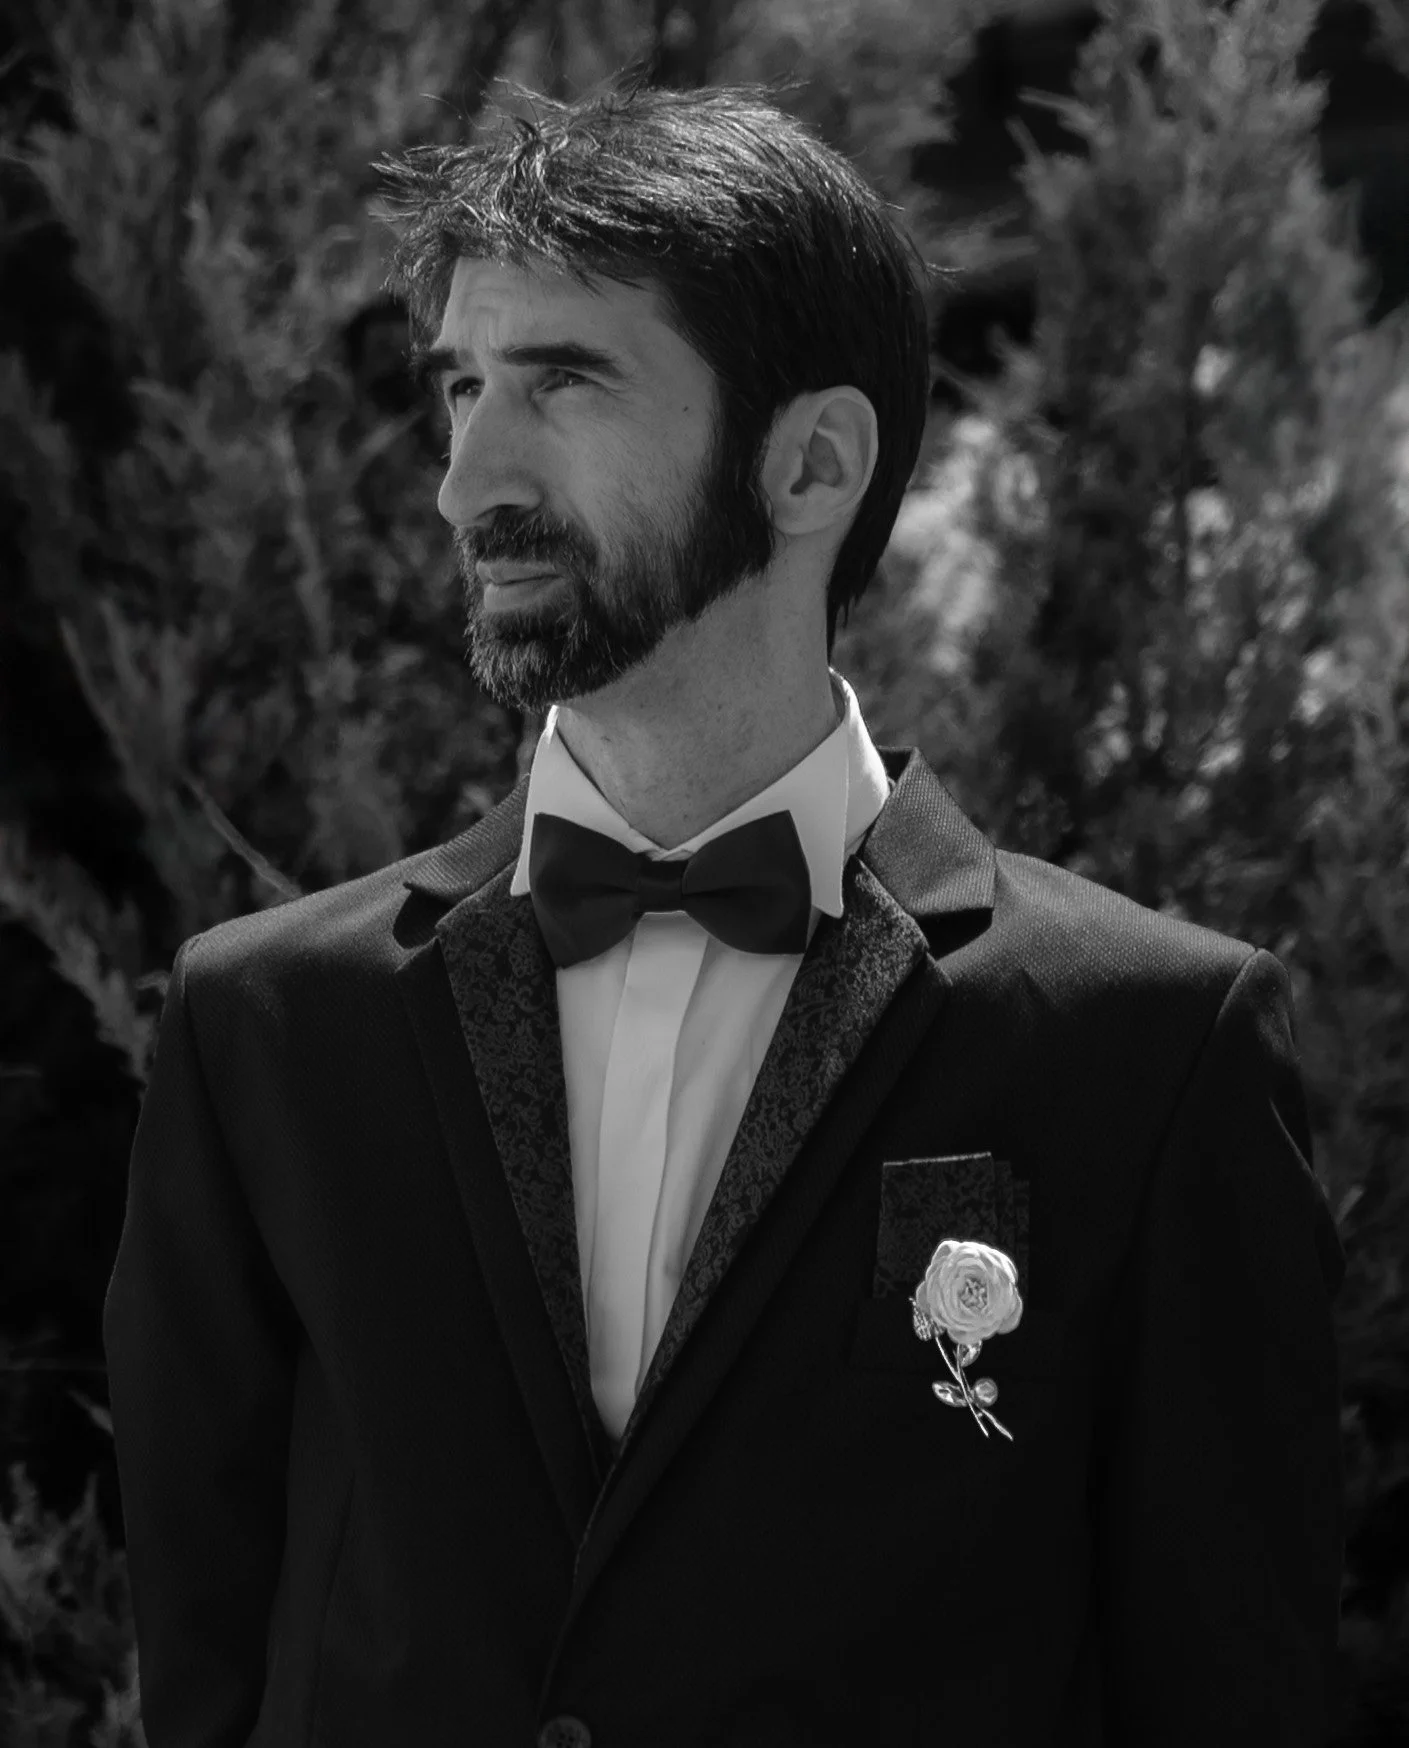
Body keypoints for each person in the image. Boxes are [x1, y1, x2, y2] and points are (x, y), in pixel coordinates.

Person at [103, 74, 1346, 1748]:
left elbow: (1226, 1683)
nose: (469, 481)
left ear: (812, 461)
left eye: (562, 382)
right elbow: (203, 1652)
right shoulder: (266, 1026)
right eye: (461, 387)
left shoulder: (1147, 1043)